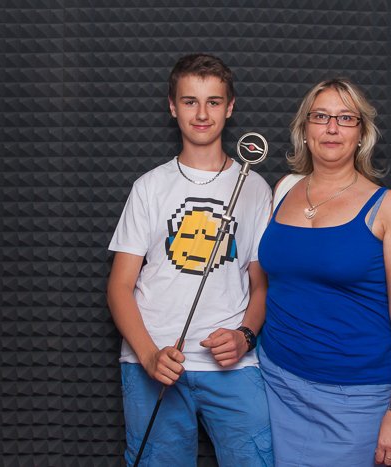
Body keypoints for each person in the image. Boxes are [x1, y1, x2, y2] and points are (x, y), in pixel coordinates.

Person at [107, 53, 273, 467]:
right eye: (189, 101)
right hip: (154, 360)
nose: (201, 114)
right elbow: (119, 287)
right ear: (172, 106)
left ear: (230, 107)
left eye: (213, 101)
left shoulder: (255, 188)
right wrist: (149, 355)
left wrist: (245, 336)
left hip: (233, 367)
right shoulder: (149, 187)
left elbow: (262, 284)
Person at [258, 78, 391, 466]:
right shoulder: (283, 189)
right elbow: (267, 283)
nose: (332, 128)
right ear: (304, 129)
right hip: (274, 382)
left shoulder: (388, 206)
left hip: (354, 396)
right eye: (321, 117)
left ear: (361, 133)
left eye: (346, 118)